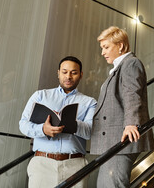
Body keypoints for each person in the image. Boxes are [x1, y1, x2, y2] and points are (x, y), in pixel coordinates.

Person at [90, 26, 154, 188]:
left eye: (106, 47)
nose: (103, 53)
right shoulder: (119, 68)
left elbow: (132, 94)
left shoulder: (130, 63)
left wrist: (131, 123)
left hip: (121, 139)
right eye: (102, 48)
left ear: (120, 45)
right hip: (113, 140)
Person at [19, 56, 97, 188]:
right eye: (64, 72)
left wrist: (72, 123)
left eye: (74, 72)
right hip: (42, 164)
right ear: (58, 73)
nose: (68, 76)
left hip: (75, 165)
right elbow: (23, 124)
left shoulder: (90, 102)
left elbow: (89, 132)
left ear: (81, 75)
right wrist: (43, 129)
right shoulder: (40, 96)